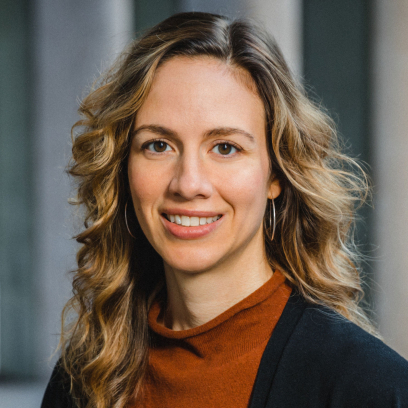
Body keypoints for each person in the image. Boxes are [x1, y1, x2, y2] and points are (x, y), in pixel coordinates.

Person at [41, 11, 408, 408]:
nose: (188, 183)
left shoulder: (369, 385)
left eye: (225, 147)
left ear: (275, 175)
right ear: (124, 168)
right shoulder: (84, 377)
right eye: (158, 145)